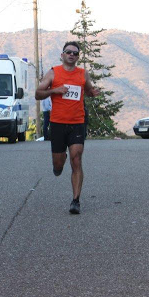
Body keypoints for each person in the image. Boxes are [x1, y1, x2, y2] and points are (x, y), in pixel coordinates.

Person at [35, 41, 100, 214]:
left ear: (78, 57)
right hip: (57, 123)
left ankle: (76, 201)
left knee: (76, 159)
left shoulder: (83, 74)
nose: (71, 55)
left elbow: (87, 90)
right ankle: (59, 162)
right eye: (68, 52)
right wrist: (54, 91)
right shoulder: (53, 72)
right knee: (58, 165)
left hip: (77, 122)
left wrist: (92, 93)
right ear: (62, 55)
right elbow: (38, 93)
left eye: (75, 53)